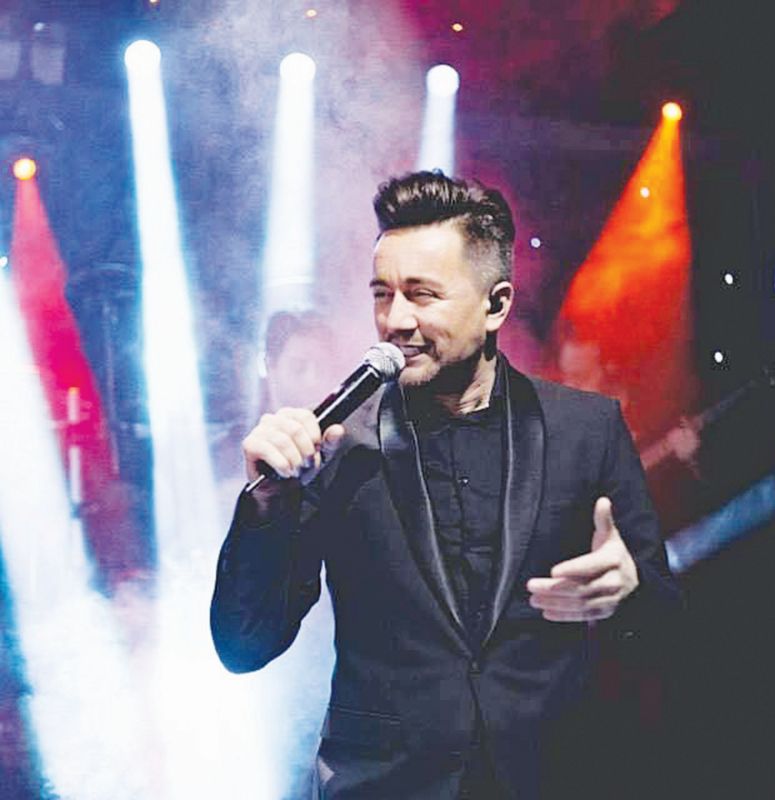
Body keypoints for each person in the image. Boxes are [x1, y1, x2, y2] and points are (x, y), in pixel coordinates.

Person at [210, 171, 682, 799]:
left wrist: (628, 591)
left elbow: (665, 631)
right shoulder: (338, 442)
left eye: (422, 295)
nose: (395, 320)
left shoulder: (585, 430)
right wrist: (267, 506)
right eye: (382, 294)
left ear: (496, 305)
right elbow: (244, 645)